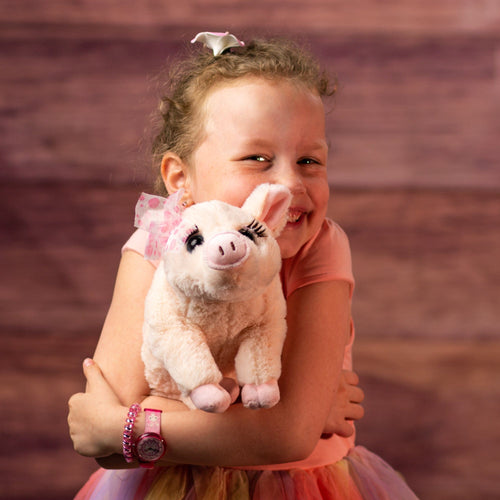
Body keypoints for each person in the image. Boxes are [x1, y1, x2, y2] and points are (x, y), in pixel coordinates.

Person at [68, 32, 419, 499]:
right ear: (180, 179)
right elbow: (101, 446)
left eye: (310, 160)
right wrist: (285, 416)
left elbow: (285, 437)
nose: (289, 185)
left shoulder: (319, 246)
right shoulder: (155, 244)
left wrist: (129, 423)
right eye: (258, 159)